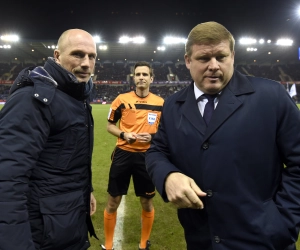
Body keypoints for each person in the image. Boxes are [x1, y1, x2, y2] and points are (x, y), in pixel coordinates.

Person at [145, 21, 300, 250]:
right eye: (204, 58)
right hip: (201, 239)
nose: (214, 66)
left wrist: (282, 222)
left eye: (221, 56)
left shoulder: (271, 96)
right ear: (188, 60)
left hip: (264, 240)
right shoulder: (173, 105)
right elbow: (157, 150)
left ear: (233, 56)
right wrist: (167, 176)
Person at [0, 29, 98, 250]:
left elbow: (66, 160)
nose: (86, 63)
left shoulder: (75, 97)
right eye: (77, 54)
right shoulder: (31, 99)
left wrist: (86, 190)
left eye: (91, 56)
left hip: (66, 224)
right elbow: (7, 178)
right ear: (56, 56)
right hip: (42, 233)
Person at [102, 61, 164, 250]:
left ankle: (144, 243)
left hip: (147, 157)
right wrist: (123, 134)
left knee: (146, 201)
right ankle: (109, 244)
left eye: (145, 74)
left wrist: (152, 137)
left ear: (151, 78)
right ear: (133, 77)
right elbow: (109, 125)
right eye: (138, 74)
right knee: (113, 200)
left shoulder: (161, 103)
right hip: (123, 154)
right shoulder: (121, 99)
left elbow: (166, 132)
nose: (141, 77)